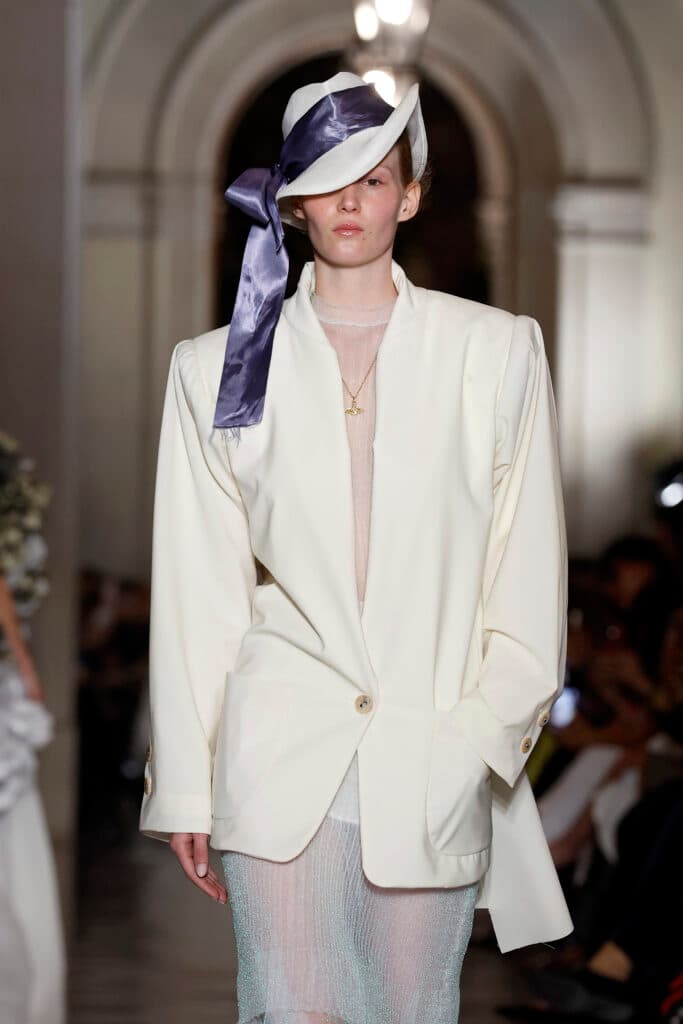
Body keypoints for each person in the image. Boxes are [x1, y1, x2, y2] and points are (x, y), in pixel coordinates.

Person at [139, 71, 572, 1022]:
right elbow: (197, 593)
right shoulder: (214, 367)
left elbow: (527, 570)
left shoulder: (494, 350)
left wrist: (480, 739)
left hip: (433, 752)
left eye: (373, 177)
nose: (349, 200)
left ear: (408, 196)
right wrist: (187, 790)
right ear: (291, 201)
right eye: (326, 178)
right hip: (273, 757)